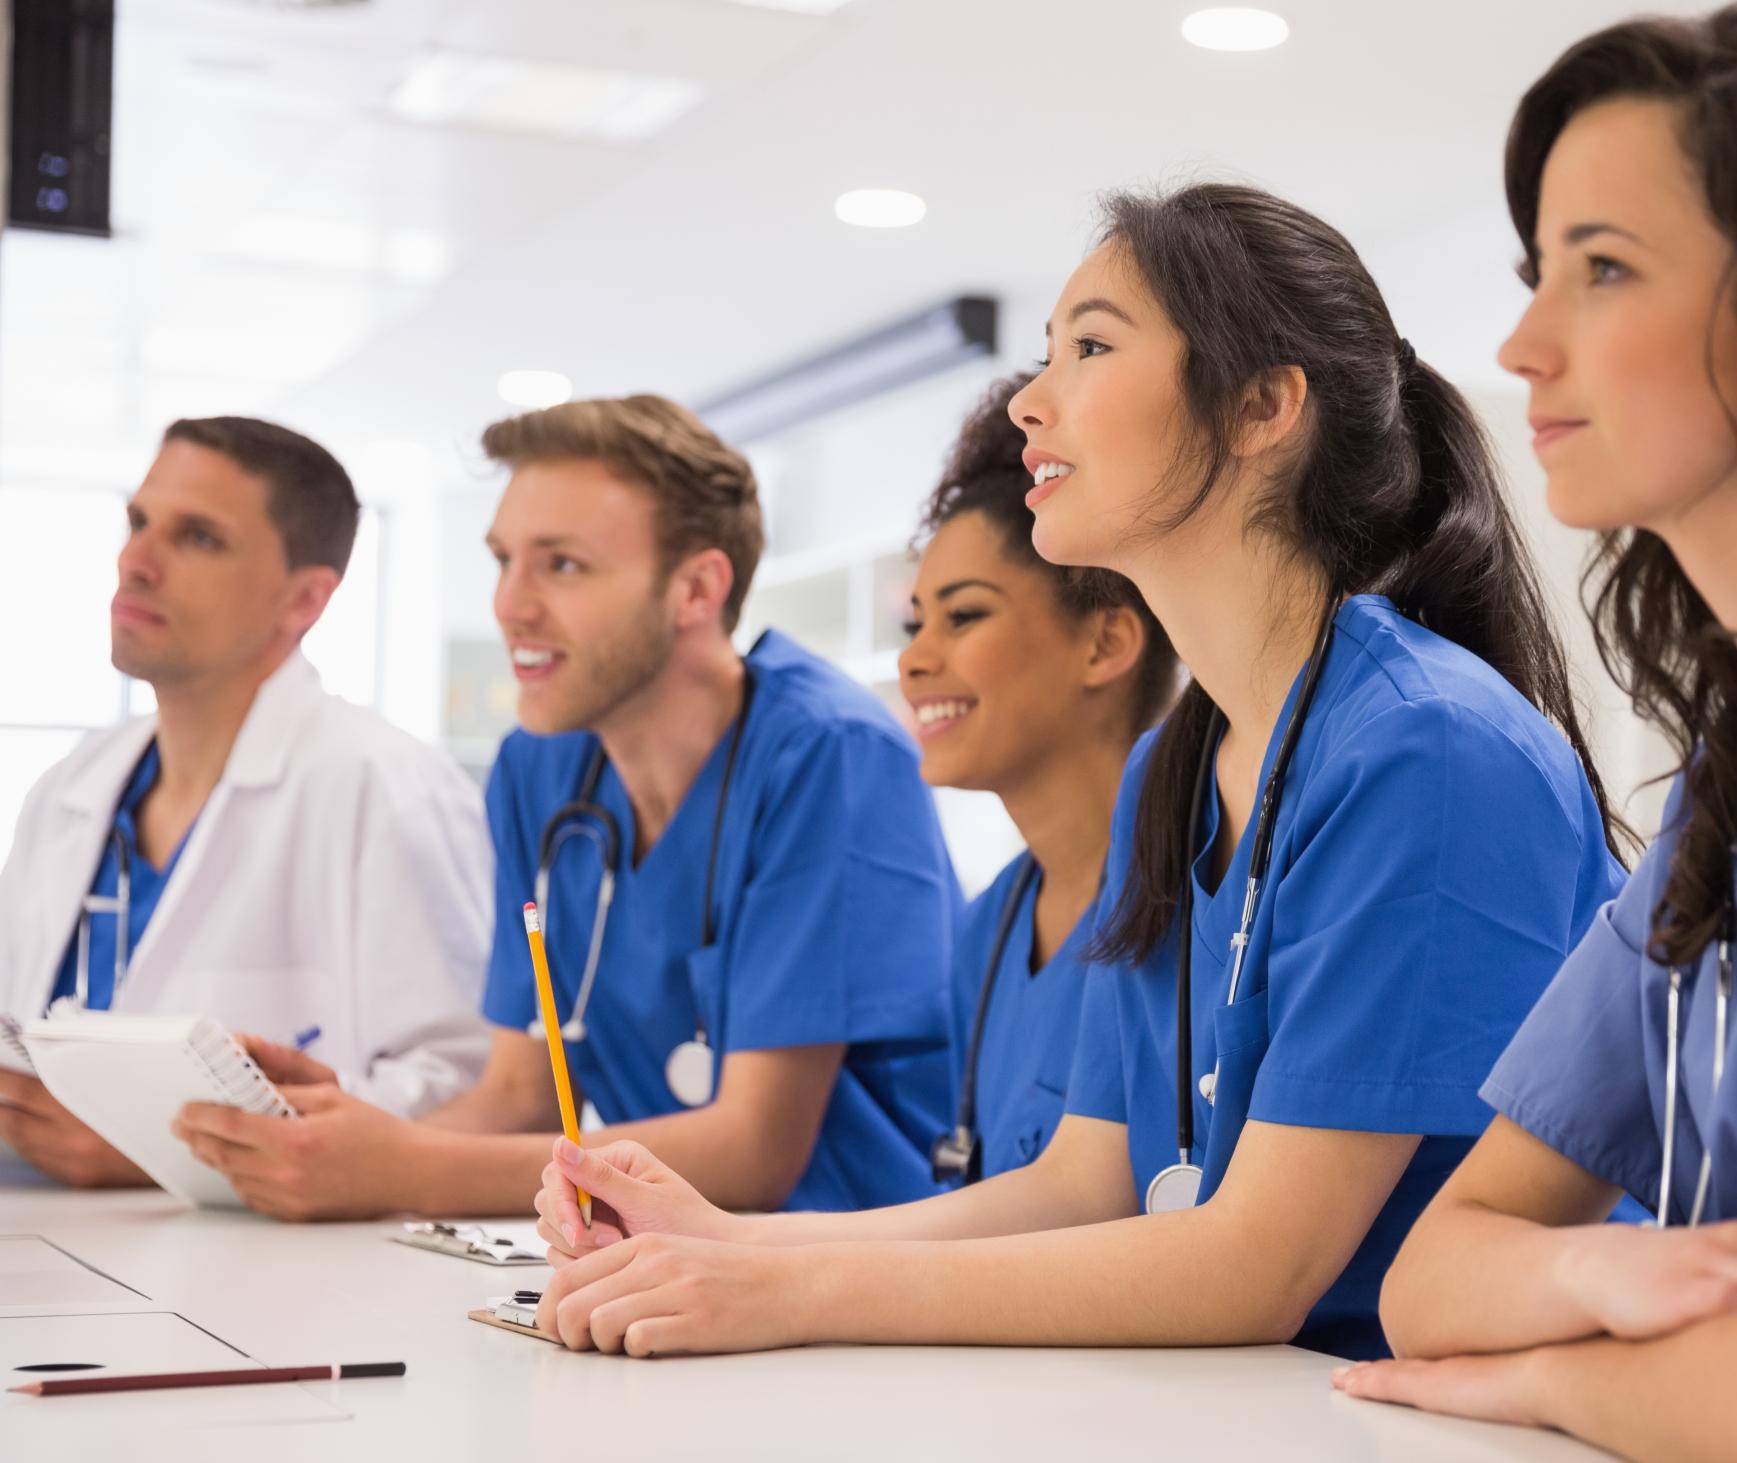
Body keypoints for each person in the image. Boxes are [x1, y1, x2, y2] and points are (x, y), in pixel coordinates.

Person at [522, 182, 1625, 1363]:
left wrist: (784, 1293)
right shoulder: (1176, 759)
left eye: (1091, 346)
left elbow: (1254, 1267)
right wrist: (732, 1243)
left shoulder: (1428, 746)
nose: (1032, 405)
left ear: (1261, 407)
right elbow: (1080, 1182)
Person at [1336, 9, 1737, 1458]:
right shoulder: (1724, 798)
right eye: (1537, 271)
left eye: (1603, 269)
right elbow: (1437, 1273)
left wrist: (1545, 1372)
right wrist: (1599, 1267)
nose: (1522, 342)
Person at [173, 396, 958, 1219]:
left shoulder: (828, 752)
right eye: (503, 560)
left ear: (695, 587)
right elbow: (519, 1092)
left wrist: (400, 1168)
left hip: (858, 1272)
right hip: (668, 1265)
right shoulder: (540, 767)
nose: (510, 605)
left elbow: (754, 1149)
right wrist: (336, 1147)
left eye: (562, 565)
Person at [0, 417, 488, 1186]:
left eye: (197, 538)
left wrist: (158, 1142)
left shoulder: (385, 785)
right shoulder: (71, 786)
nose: (136, 561)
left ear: (303, 600)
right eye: (138, 522)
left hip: (259, 1280)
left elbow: (467, 1088)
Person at [904, 370, 1177, 1187]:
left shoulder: (1189, 902)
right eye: (915, 622)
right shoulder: (987, 932)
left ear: (1104, 645)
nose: (915, 659)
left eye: (964, 616)